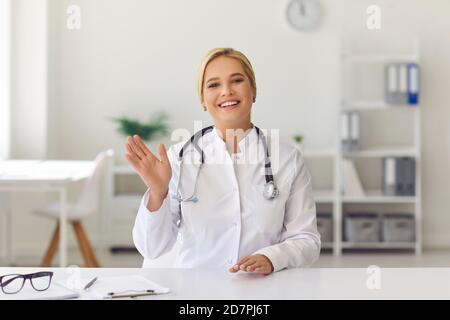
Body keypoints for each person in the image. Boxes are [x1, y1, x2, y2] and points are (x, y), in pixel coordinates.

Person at [126, 48, 320, 275]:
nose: (226, 91)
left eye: (237, 80)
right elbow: (152, 248)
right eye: (213, 85)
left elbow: (307, 239)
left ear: (253, 90)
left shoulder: (287, 159)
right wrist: (158, 192)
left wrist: (271, 258)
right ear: (202, 100)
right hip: (195, 293)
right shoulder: (179, 158)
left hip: (262, 291)